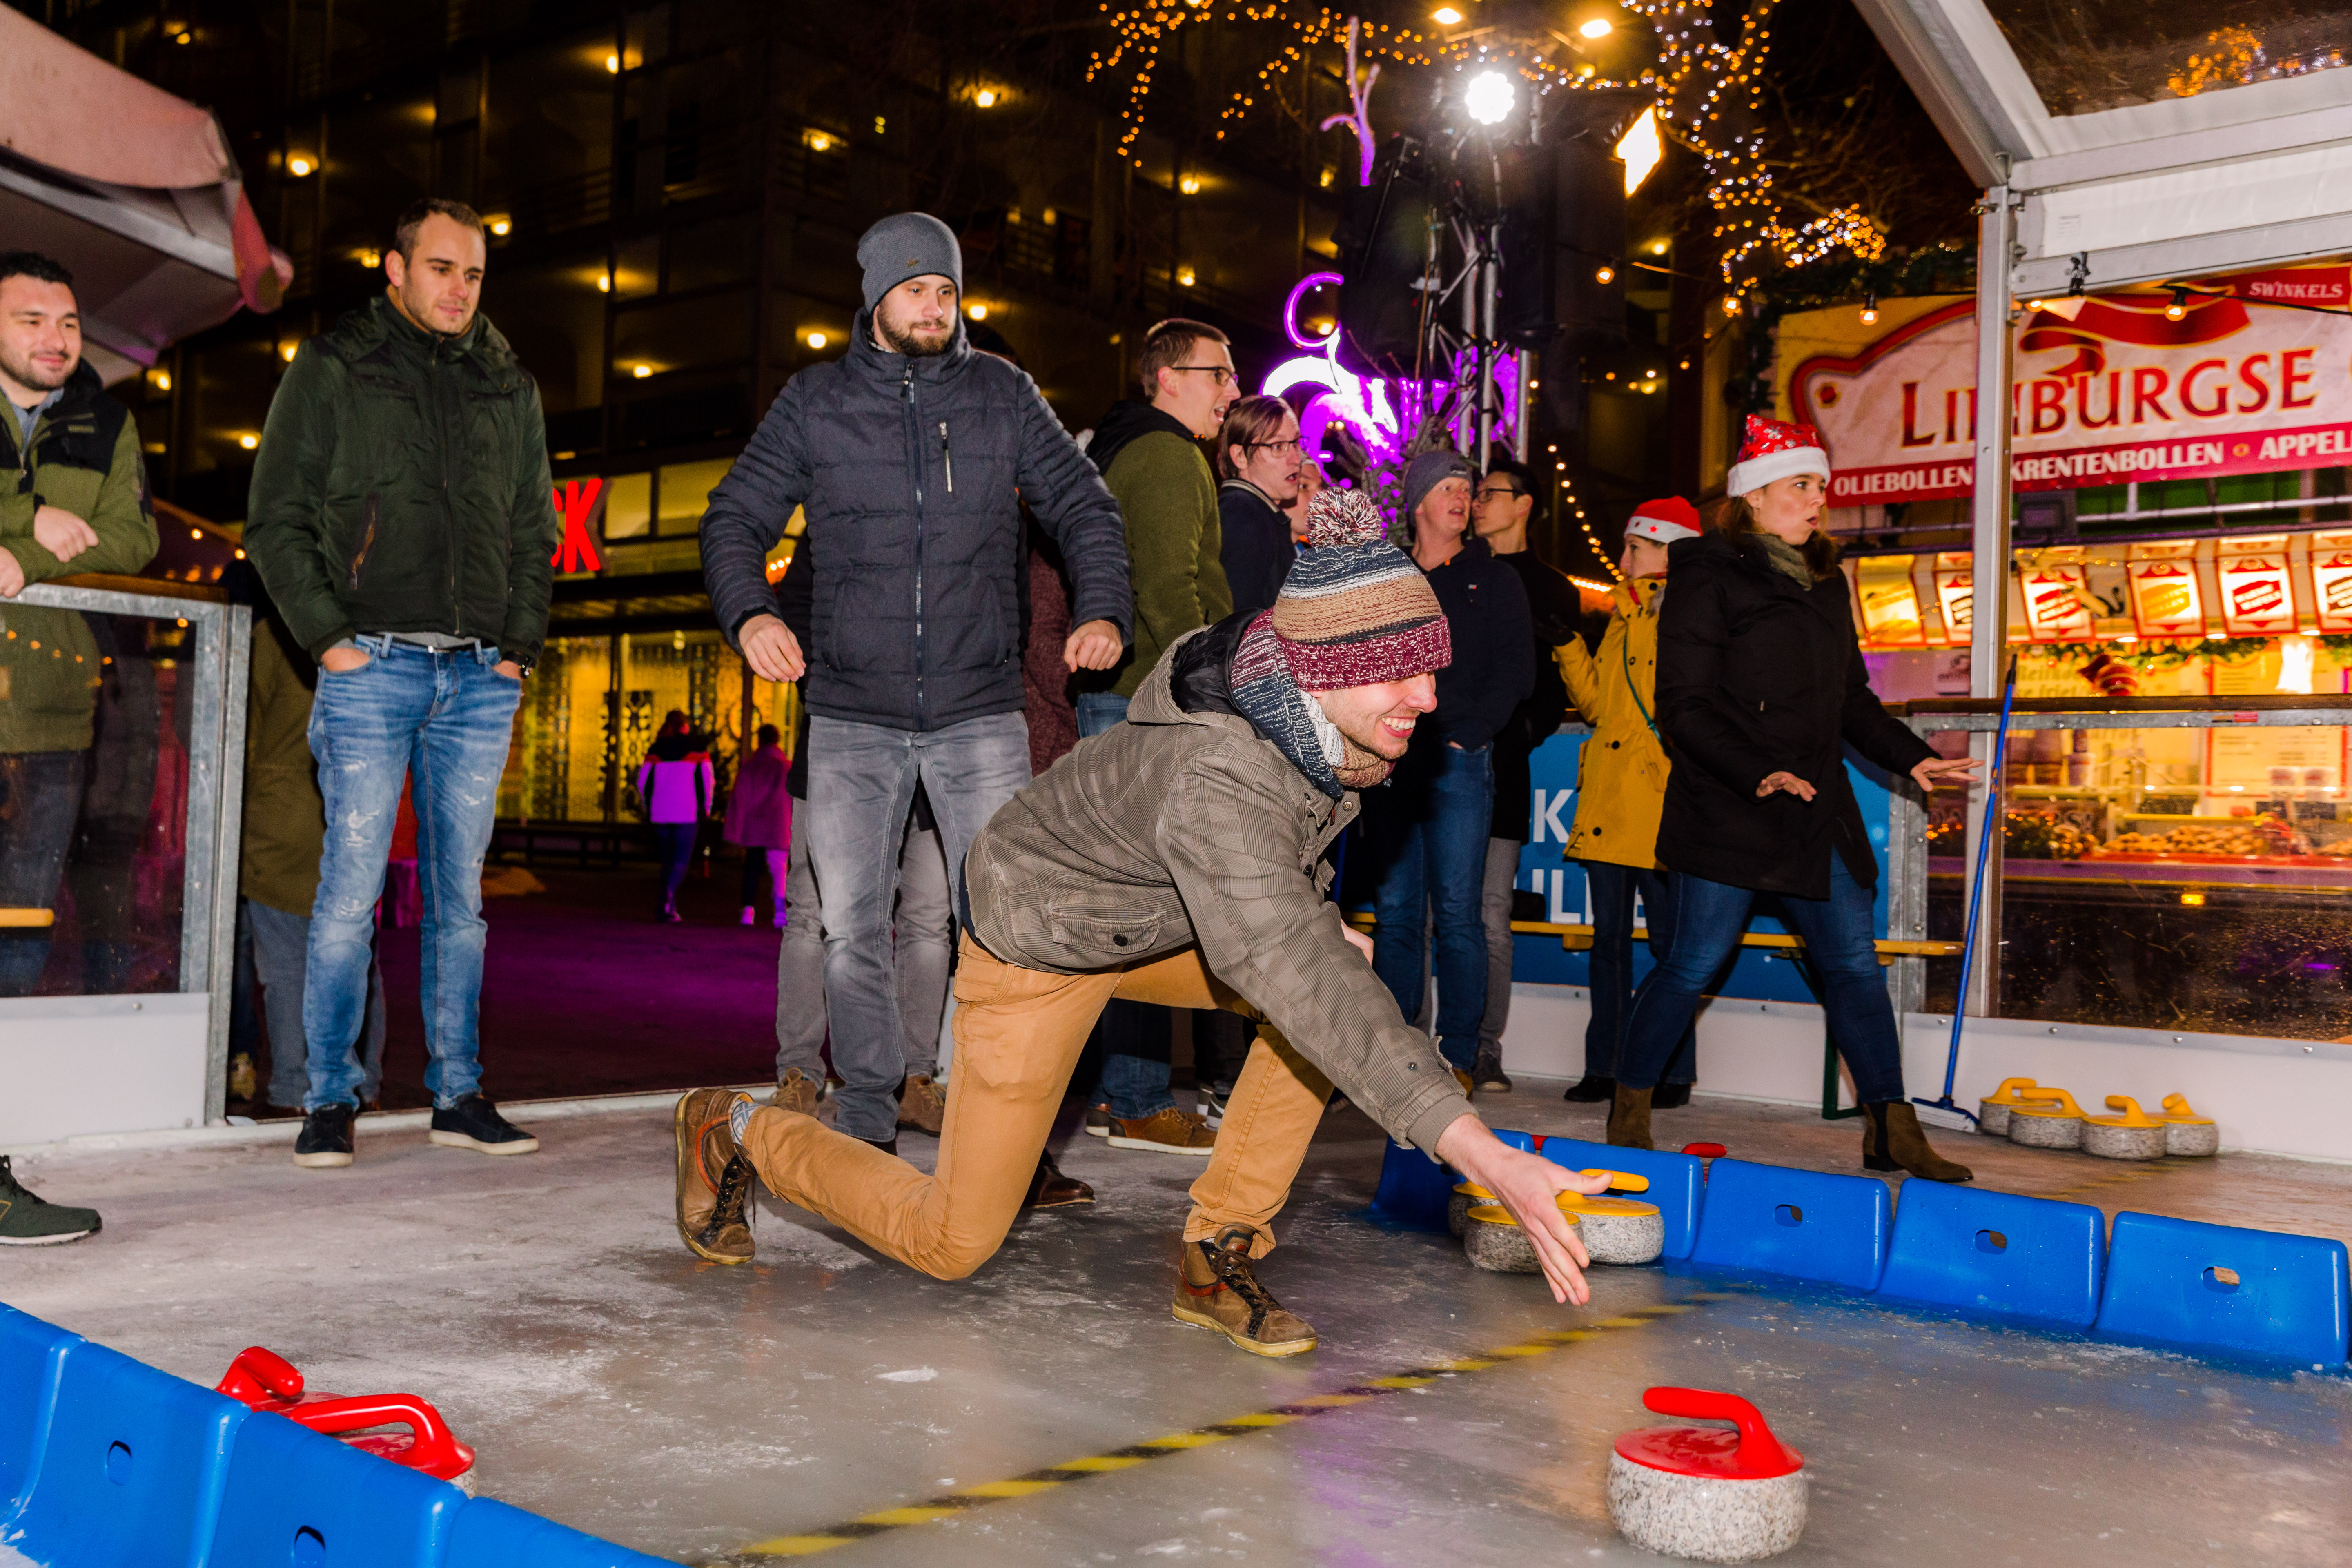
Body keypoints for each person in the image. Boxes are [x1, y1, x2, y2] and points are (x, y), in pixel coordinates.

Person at [671, 488, 1610, 1355]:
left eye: (1428, 668)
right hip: (1037, 929)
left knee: (1319, 1000)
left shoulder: (1321, 716)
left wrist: (1307, 927)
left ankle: (1216, 1249)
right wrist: (1479, 1150)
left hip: (1154, 916)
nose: (1427, 697)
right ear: (1324, 668)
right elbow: (1273, 923)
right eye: (1398, 674)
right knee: (951, 1238)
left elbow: (1280, 900)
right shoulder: (1222, 773)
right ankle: (735, 1127)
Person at [699, 212, 1132, 1160]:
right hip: (853, 710)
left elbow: (1084, 505)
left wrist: (1102, 608)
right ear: (874, 300)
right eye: (913, 290)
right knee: (854, 927)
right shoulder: (815, 403)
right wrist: (752, 614)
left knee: (1004, 920)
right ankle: (863, 1109)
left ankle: (998, 1112)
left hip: (980, 713)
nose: (932, 306)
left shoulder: (1000, 394)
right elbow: (734, 513)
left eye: (944, 289)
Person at [245, 197, 557, 1169]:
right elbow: (275, 517)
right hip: (370, 667)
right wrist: (331, 641)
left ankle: (457, 1091)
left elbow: (535, 528)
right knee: (349, 893)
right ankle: (326, 1095)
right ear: (395, 268)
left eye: (472, 272)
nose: (459, 288)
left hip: (477, 677)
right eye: (440, 268)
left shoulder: (508, 386)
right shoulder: (337, 368)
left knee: (460, 900)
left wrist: (516, 648)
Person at [1606, 416, 1978, 1182]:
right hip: (1731, 806)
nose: (1819, 500)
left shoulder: (1824, 580)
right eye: (1802, 485)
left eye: (1822, 486)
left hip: (1815, 813)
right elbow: (1686, 707)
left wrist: (1917, 761)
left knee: (1854, 967)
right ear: (1754, 497)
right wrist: (1757, 773)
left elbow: (1852, 700)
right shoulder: (1706, 573)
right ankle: (1630, 1108)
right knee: (1691, 965)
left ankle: (1892, 1128)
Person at [1074, 318, 1238, 1155]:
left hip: (1118, 699)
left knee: (1121, 905)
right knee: (1146, 910)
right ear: (1170, 375)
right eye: (1220, 375)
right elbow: (1172, 589)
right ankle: (1136, 1100)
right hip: (1152, 701)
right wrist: (1214, 692)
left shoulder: (1122, 449)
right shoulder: (1170, 456)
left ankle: (1121, 1095)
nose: (1232, 391)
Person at [0, 251, 159, 1000]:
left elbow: (134, 540)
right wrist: (32, 515)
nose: (56, 338)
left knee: (24, 924)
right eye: (31, 321)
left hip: (55, 716)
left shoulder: (108, 421)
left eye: (67, 323)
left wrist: (26, 558)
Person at [1359, 450, 1532, 1085]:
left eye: (1469, 489)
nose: (1463, 497)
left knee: (1458, 913)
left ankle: (1459, 1054)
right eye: (1449, 487)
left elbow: (1518, 670)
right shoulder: (1388, 578)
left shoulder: (1496, 579)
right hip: (1391, 762)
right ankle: (1401, 1058)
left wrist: (1472, 732)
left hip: (1459, 762)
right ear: (1418, 501)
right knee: (1398, 913)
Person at [1553, 498, 1704, 1108]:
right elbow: (1598, 709)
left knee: (1674, 948)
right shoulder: (1624, 611)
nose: (1622, 560)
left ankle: (1668, 1071)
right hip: (1612, 799)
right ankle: (1607, 1066)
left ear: (1667, 551)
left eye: (1634, 548)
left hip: (1663, 800)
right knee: (1610, 944)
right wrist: (1567, 647)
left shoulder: (1686, 613)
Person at [236, 572, 389, 1124]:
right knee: (356, 959)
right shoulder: (374, 636)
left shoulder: (274, 638)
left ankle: (295, 1089)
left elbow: (239, 736)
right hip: (356, 816)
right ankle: (363, 1083)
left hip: (281, 824)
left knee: (286, 969)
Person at [1467, 457, 1577, 1092]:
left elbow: (1554, 689)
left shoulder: (1555, 589)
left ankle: (1485, 1048)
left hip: (1505, 768)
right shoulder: (1459, 572)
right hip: (1446, 765)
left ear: (1526, 503)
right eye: (1473, 494)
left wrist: (1518, 735)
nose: (1478, 502)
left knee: (1490, 913)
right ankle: (1415, 1048)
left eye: (1490, 494)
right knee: (1429, 914)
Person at [1215, 394, 1303, 618]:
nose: (1295, 458)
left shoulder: (1260, 512)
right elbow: (1237, 621)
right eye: (1278, 446)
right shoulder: (1243, 513)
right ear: (1240, 456)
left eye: (1296, 443)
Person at [636, 710, 715, 924]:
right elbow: (708, 782)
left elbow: (642, 781)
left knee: (667, 860)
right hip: (687, 812)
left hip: (660, 812)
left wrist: (647, 806)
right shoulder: (698, 749)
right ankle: (667, 896)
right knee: (681, 860)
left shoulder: (656, 749)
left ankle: (669, 908)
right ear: (686, 726)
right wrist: (706, 807)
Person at [725, 723, 791, 927]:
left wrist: (736, 828)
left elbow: (740, 798)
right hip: (778, 825)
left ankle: (748, 912)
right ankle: (780, 913)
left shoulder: (750, 767)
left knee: (752, 867)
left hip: (754, 825)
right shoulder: (786, 767)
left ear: (759, 740)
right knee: (779, 870)